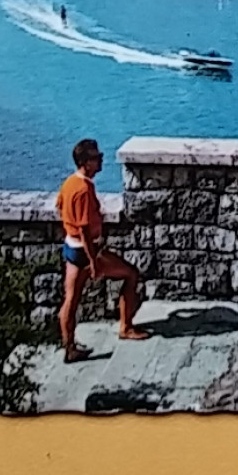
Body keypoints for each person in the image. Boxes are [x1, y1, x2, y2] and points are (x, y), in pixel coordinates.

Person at [56, 138, 148, 361]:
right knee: (130, 274)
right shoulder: (84, 189)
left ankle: (69, 347)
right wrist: (94, 262)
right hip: (88, 251)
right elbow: (85, 230)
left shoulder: (69, 183)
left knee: (71, 299)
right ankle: (126, 327)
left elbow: (59, 206)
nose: (101, 162)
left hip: (71, 247)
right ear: (86, 162)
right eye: (97, 158)